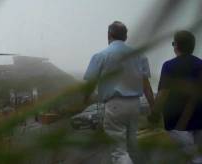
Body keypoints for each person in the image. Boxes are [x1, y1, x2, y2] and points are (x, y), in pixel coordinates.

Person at [84, 21, 155, 164]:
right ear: (126, 37)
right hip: (135, 105)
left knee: (119, 152)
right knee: (132, 146)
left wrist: (83, 102)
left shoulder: (101, 56)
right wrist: (154, 107)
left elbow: (89, 85)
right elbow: (146, 86)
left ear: (109, 35)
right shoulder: (139, 56)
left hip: (114, 105)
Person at [149, 30, 202, 163]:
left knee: (188, 157)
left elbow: (163, 93)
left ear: (176, 45)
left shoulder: (169, 66)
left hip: (177, 122)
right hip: (200, 118)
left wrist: (154, 114)